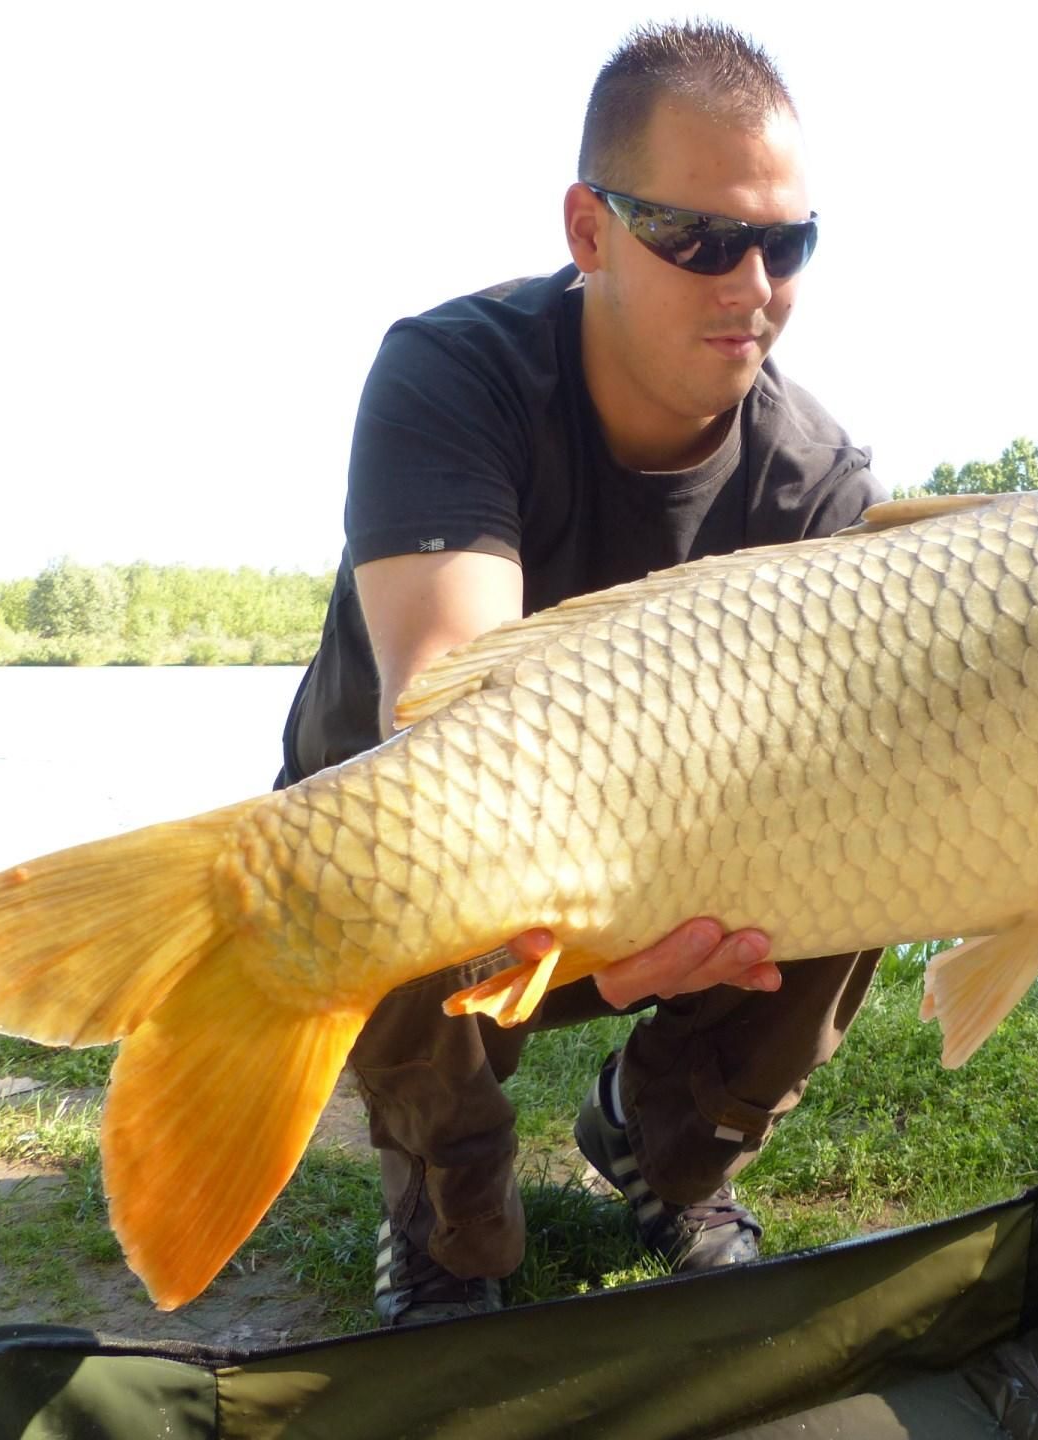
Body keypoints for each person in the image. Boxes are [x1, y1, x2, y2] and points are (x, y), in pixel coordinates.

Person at [276, 20, 888, 1326]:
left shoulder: (819, 476)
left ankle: (669, 1148)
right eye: (703, 240)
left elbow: (839, 755)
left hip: (683, 866)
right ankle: (450, 1214)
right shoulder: (454, 371)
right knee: (379, 829)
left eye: (789, 244)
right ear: (590, 230)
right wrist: (600, 938)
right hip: (452, 854)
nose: (754, 286)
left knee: (870, 841)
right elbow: (444, 692)